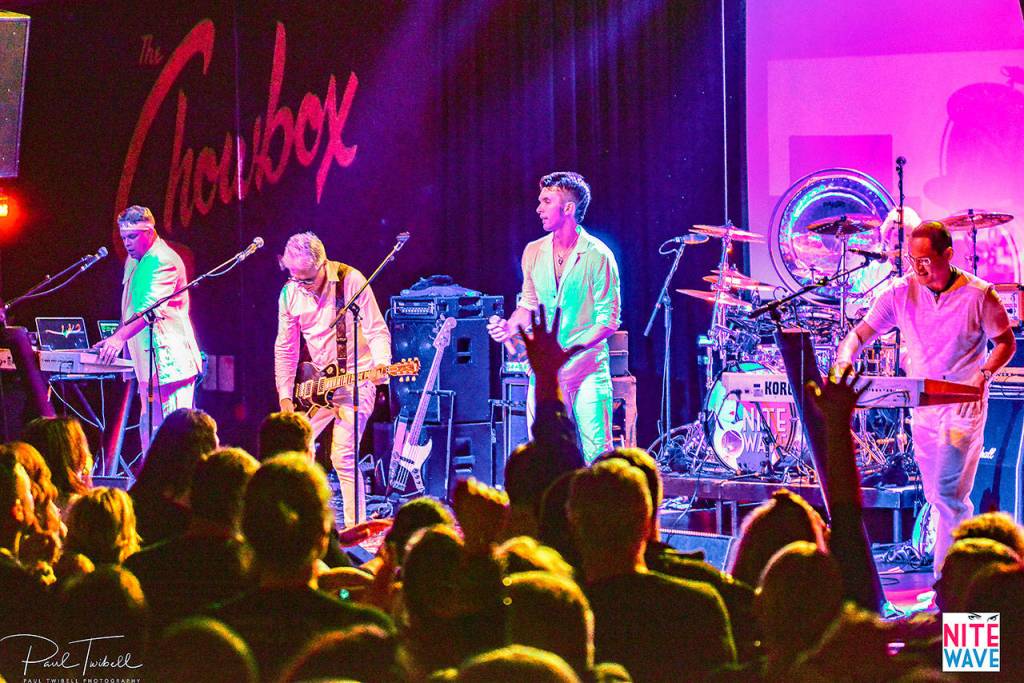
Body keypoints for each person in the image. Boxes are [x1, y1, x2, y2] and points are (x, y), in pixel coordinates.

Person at [832, 221, 1016, 571]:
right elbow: (859, 334)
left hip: (963, 408)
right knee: (936, 496)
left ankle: (946, 584)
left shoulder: (979, 294)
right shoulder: (900, 292)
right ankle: (962, 573)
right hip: (924, 407)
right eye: (913, 260)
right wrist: (844, 359)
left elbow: (1005, 342)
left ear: (948, 255)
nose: (918, 268)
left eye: (926, 260)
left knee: (948, 496)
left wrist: (984, 374)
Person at [487, 172, 621, 463]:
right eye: (540, 201)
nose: (539, 208)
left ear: (568, 208)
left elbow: (608, 320)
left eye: (547, 201)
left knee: (598, 453)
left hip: (587, 370)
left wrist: (566, 350)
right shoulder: (533, 251)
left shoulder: (598, 255)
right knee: (546, 454)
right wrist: (509, 326)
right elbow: (528, 304)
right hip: (547, 372)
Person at [274, 232, 391, 527]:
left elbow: (377, 330)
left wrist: (381, 364)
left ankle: (356, 529)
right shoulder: (290, 293)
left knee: (343, 454)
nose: (301, 286)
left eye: (307, 280)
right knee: (295, 447)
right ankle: (303, 522)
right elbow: (286, 348)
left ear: (322, 265)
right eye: (294, 278)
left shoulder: (351, 281)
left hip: (357, 378)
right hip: (318, 385)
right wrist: (285, 396)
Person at [95, 205, 203, 452]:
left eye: (132, 237)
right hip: (148, 365)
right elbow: (130, 309)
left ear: (150, 232)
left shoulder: (163, 260)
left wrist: (118, 340)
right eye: (124, 238)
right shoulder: (134, 261)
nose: (127, 243)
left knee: (174, 434)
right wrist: (114, 338)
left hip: (169, 365)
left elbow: (149, 310)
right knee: (151, 432)